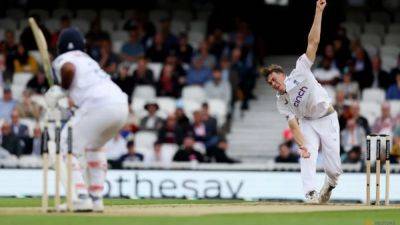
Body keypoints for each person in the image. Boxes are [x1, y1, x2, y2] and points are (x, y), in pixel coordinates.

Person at [263, 0, 341, 204]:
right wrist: (301, 145)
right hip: (307, 122)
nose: (273, 84)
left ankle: (330, 184)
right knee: (306, 155)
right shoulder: (281, 100)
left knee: (334, 169)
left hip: (327, 117)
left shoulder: (300, 70)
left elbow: (313, 42)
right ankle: (310, 193)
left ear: (281, 74)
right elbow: (292, 124)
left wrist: (318, 11)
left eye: (273, 79)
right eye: (269, 83)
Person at [45, 28, 129, 212]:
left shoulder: (62, 60)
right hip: (120, 104)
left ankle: (81, 197)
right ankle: (96, 199)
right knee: (95, 147)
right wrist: (67, 96)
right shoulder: (89, 61)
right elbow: (82, 90)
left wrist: (62, 90)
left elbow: (69, 69)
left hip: (98, 106)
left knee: (63, 146)